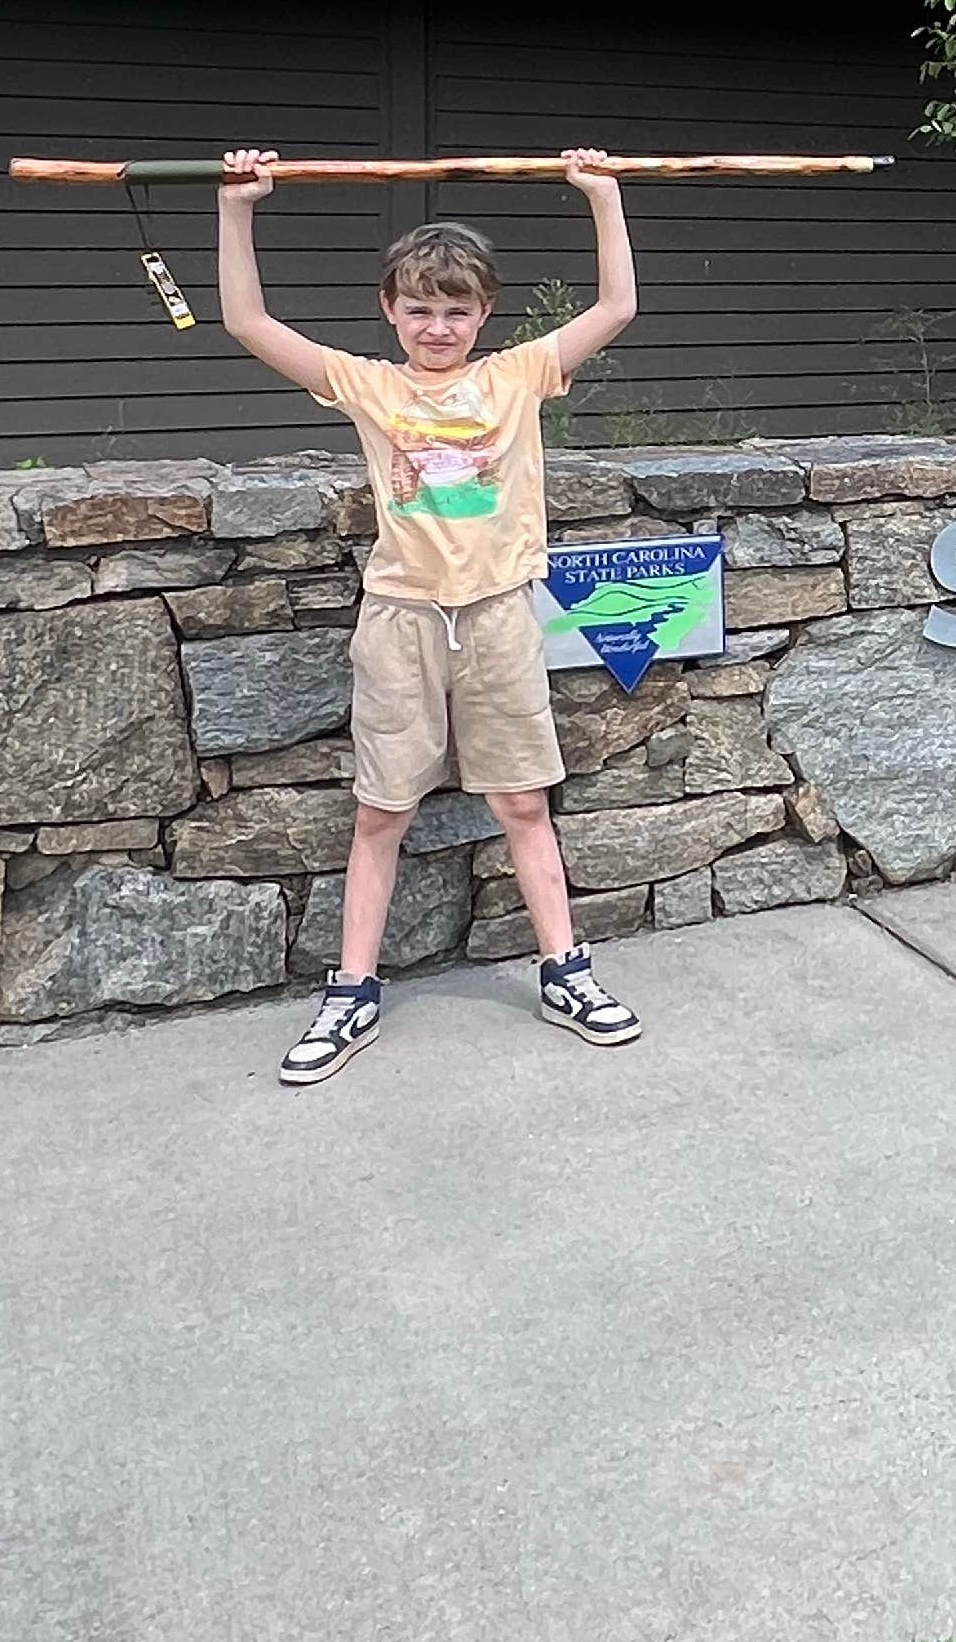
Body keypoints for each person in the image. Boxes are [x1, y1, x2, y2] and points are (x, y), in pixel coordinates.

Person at [214, 147, 642, 1086]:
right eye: (420, 310)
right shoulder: (370, 385)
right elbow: (247, 321)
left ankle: (565, 971)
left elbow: (616, 308)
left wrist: (601, 195)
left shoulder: (519, 376)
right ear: (391, 311)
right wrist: (239, 206)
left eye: (456, 311)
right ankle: (352, 992)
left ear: (483, 314)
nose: (438, 327)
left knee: (523, 801)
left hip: (498, 616)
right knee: (382, 811)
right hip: (401, 619)